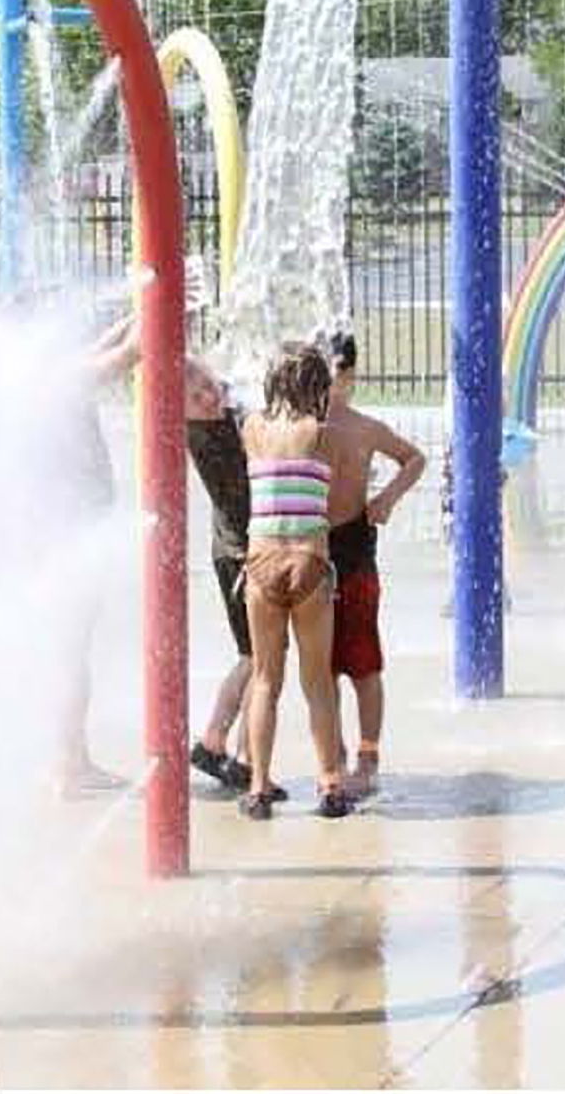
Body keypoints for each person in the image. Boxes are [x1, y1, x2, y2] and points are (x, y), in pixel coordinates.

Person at [238, 342, 349, 821]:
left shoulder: (252, 429)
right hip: (308, 561)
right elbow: (335, 495)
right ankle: (329, 786)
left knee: (265, 680)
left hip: (260, 562)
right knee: (317, 682)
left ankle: (259, 788)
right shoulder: (324, 434)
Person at [323, 332, 425, 797]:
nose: (330, 384)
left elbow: (414, 458)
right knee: (321, 666)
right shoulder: (304, 427)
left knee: (363, 663)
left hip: (356, 550)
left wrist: (387, 498)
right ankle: (334, 756)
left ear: (349, 377)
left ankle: (367, 756)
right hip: (315, 553)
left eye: (338, 375)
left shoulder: (365, 428)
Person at [55, 310, 141, 795]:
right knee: (69, 653)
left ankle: (70, 757)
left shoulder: (53, 370)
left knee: (71, 651)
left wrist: (136, 310)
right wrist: (157, 310)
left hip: (70, 529)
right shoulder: (58, 377)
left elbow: (105, 349)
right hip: (67, 536)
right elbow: (125, 357)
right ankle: (67, 762)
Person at [183, 355, 260, 793]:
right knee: (260, 660)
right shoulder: (208, 434)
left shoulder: (221, 420)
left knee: (255, 658)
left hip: (237, 549)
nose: (210, 396)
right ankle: (243, 758)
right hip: (240, 554)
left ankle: (216, 742)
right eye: (197, 395)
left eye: (211, 386)